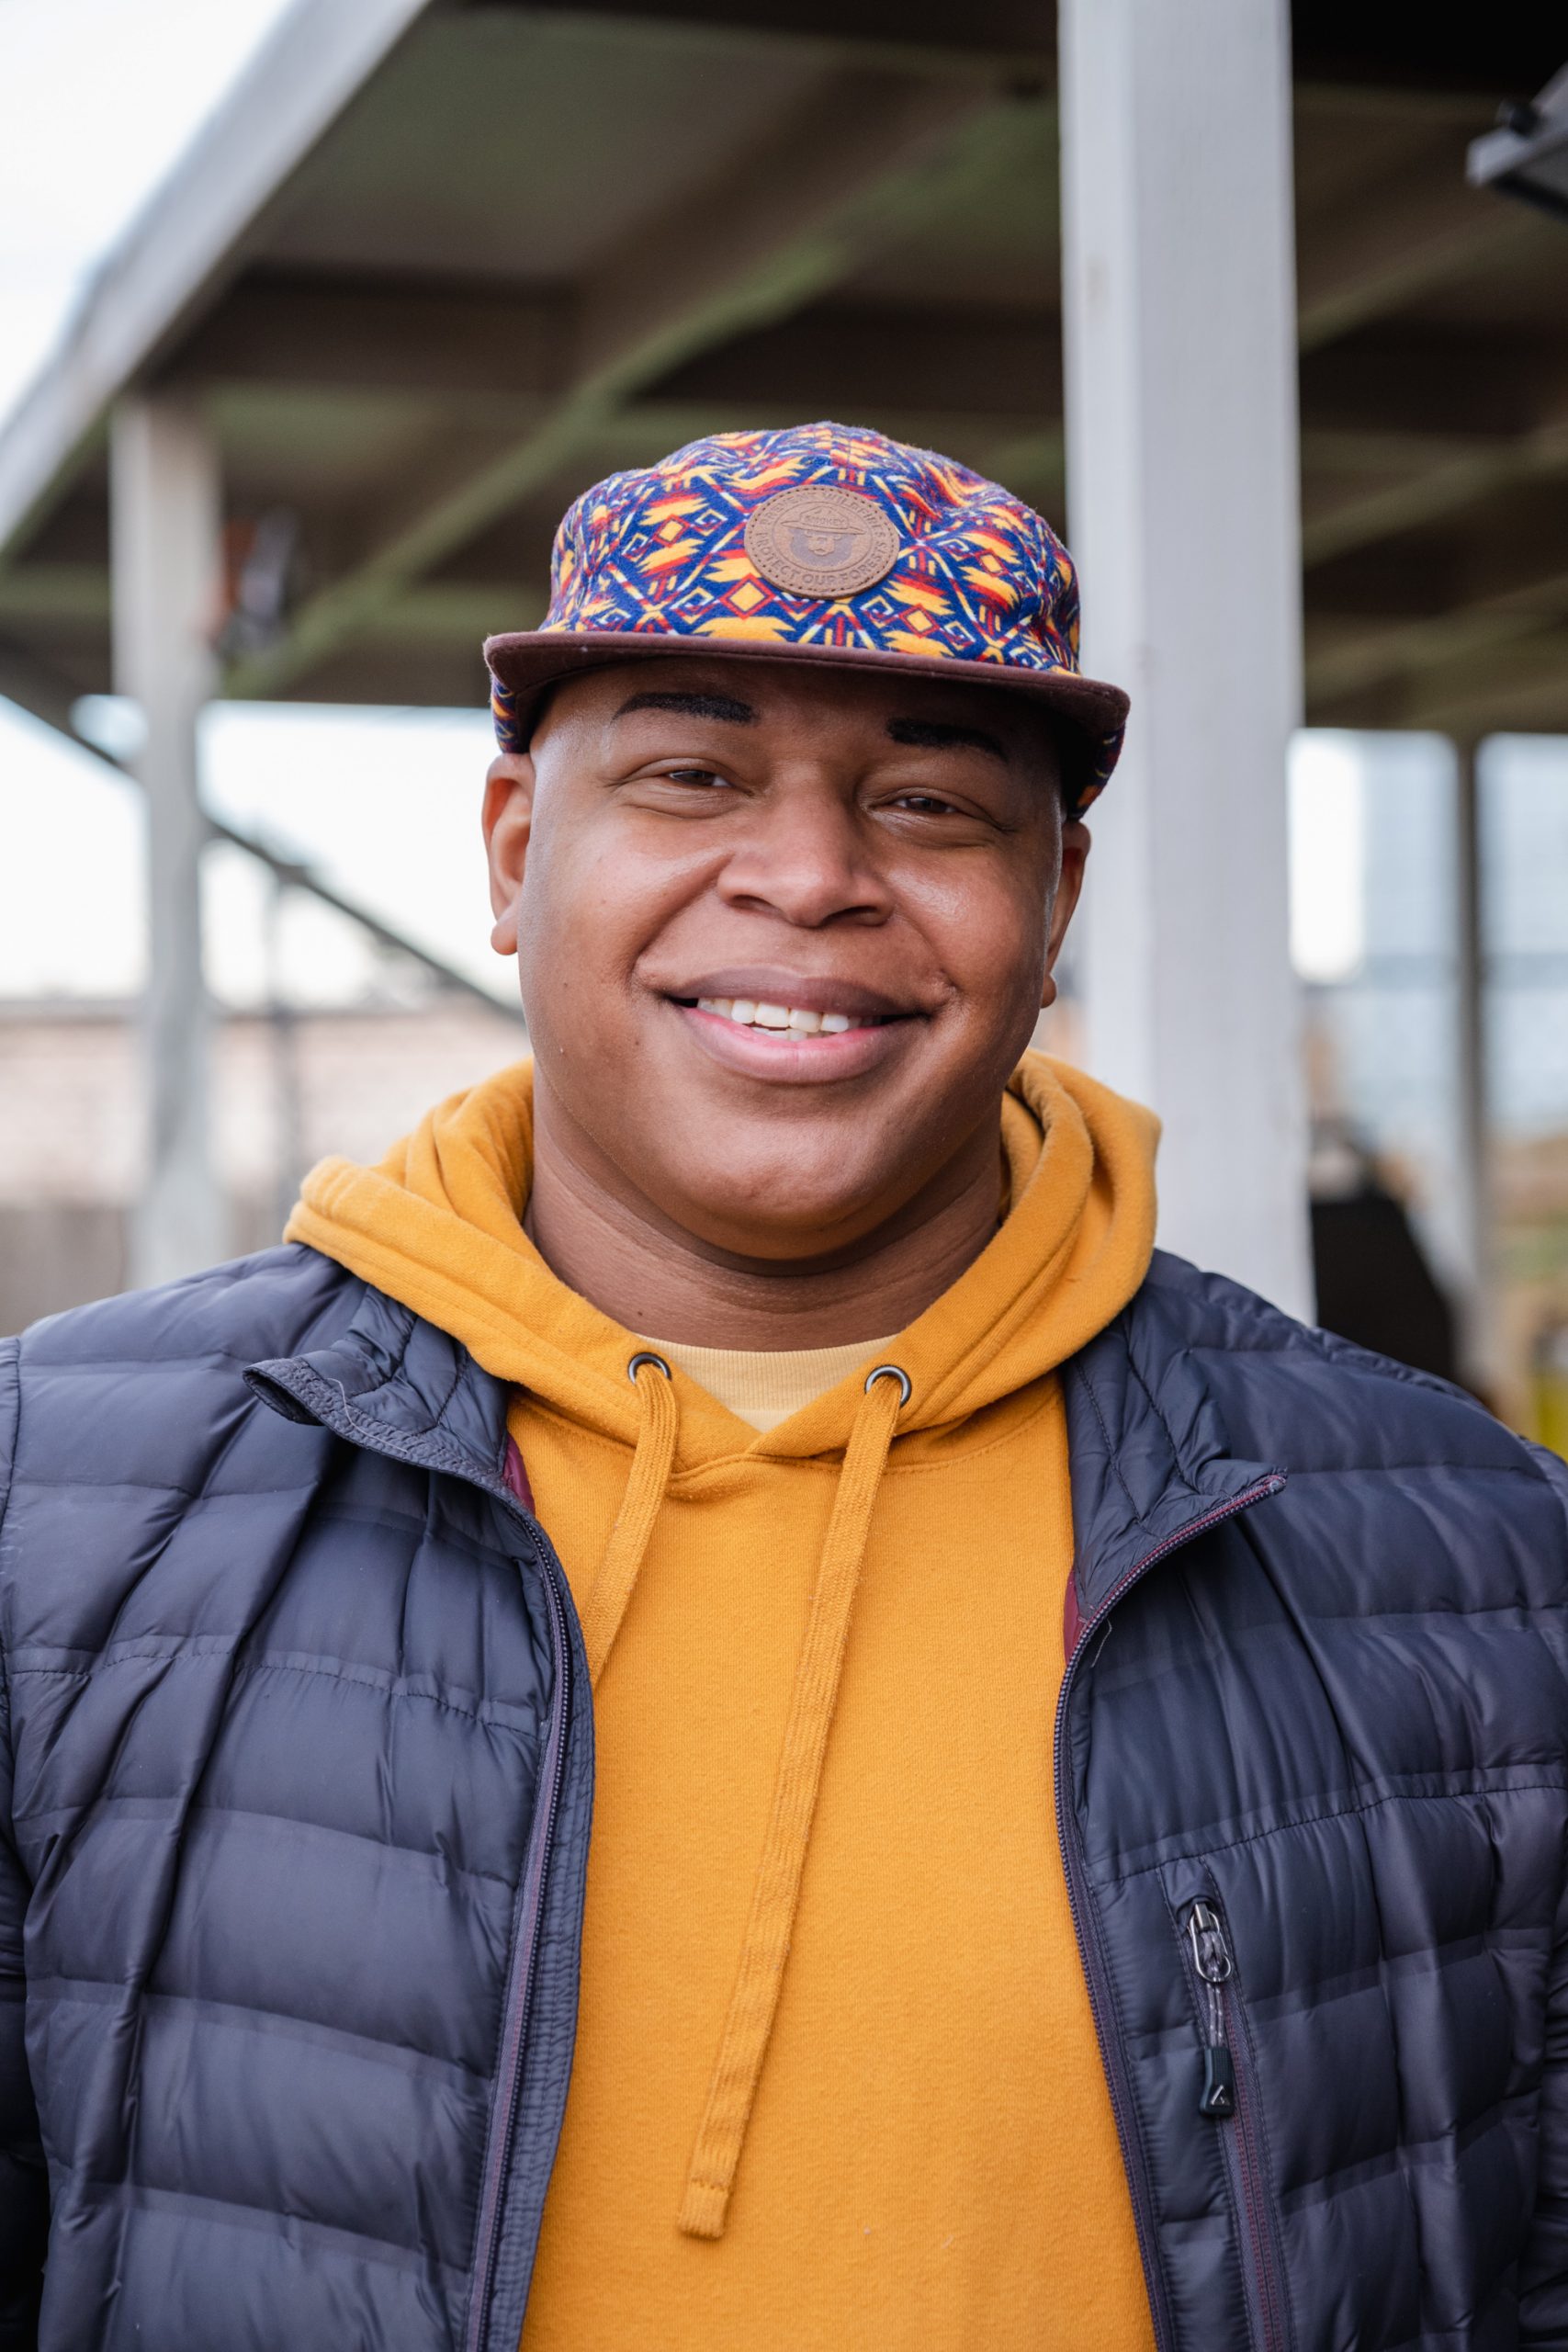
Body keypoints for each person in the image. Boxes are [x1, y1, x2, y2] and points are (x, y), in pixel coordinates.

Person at [2, 422, 1566, 2352]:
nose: (810, 874)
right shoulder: (52, 1507)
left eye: (925, 801)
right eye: (692, 772)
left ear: (1053, 896)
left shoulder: (1467, 1560)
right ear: (512, 853)